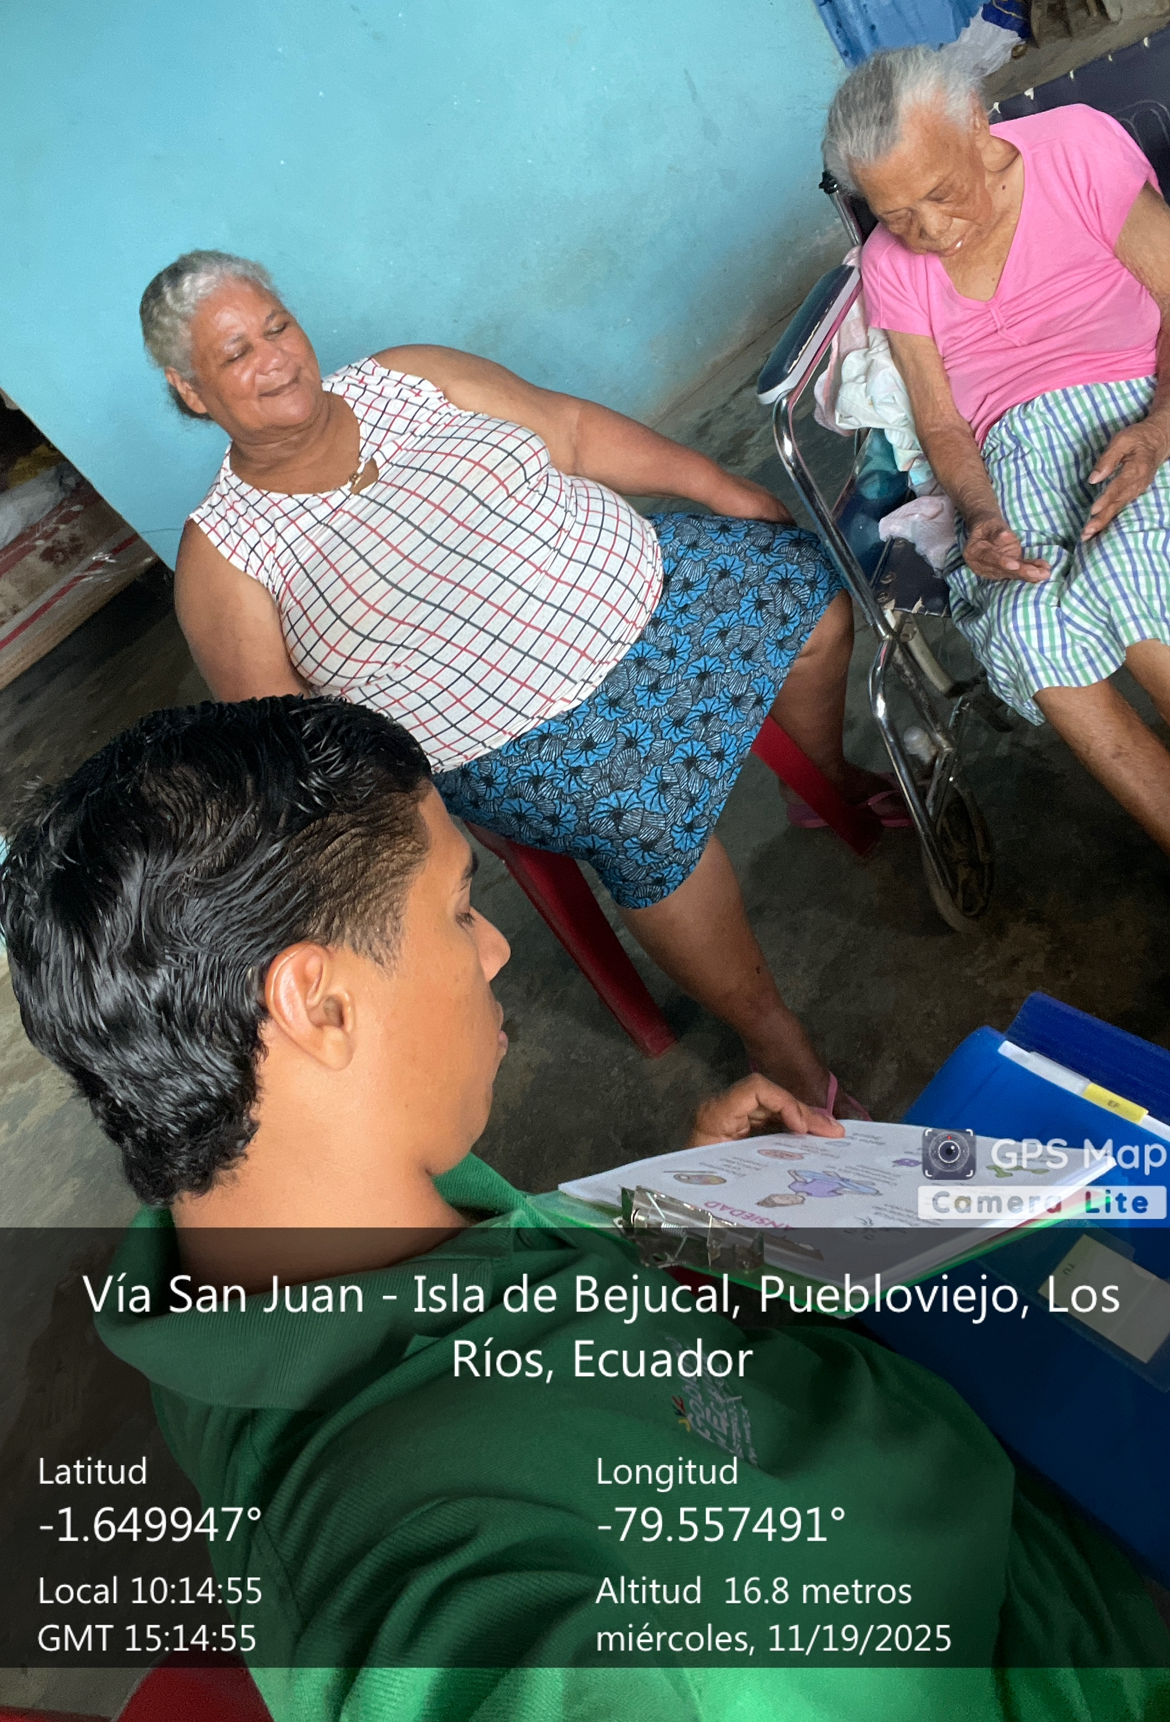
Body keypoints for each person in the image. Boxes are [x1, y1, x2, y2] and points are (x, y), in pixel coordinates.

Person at [0, 696, 1165, 1721]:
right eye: (459, 909)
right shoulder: (448, 1581)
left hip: (889, 1437)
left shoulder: (247, 1245)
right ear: (319, 1004)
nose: (496, 951)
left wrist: (672, 1220)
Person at [139, 250, 909, 1111]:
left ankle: (825, 781)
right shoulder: (226, 558)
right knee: (643, 815)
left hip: (652, 584)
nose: (275, 358)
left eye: (276, 326)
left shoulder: (409, 378)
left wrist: (718, 485)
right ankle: (774, 1038)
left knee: (806, 587)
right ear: (191, 391)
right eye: (236, 352)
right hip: (523, 737)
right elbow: (296, 744)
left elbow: (568, 430)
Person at [823, 47, 1170, 857]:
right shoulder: (890, 264)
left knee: (1137, 581)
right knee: (1027, 624)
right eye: (896, 214)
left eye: (940, 192)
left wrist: (1160, 428)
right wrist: (979, 517)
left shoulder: (1076, 149)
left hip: (1138, 402)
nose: (929, 230)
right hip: (1010, 451)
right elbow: (942, 424)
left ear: (977, 123)